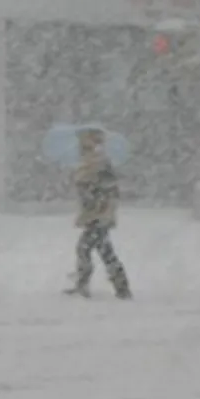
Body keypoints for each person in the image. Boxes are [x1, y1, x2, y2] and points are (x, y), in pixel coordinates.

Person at [64, 128, 132, 300]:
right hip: (95, 214)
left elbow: (108, 191)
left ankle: (86, 284)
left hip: (99, 215)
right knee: (103, 250)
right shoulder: (88, 163)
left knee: (85, 248)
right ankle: (120, 286)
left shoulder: (100, 164)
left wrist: (92, 195)